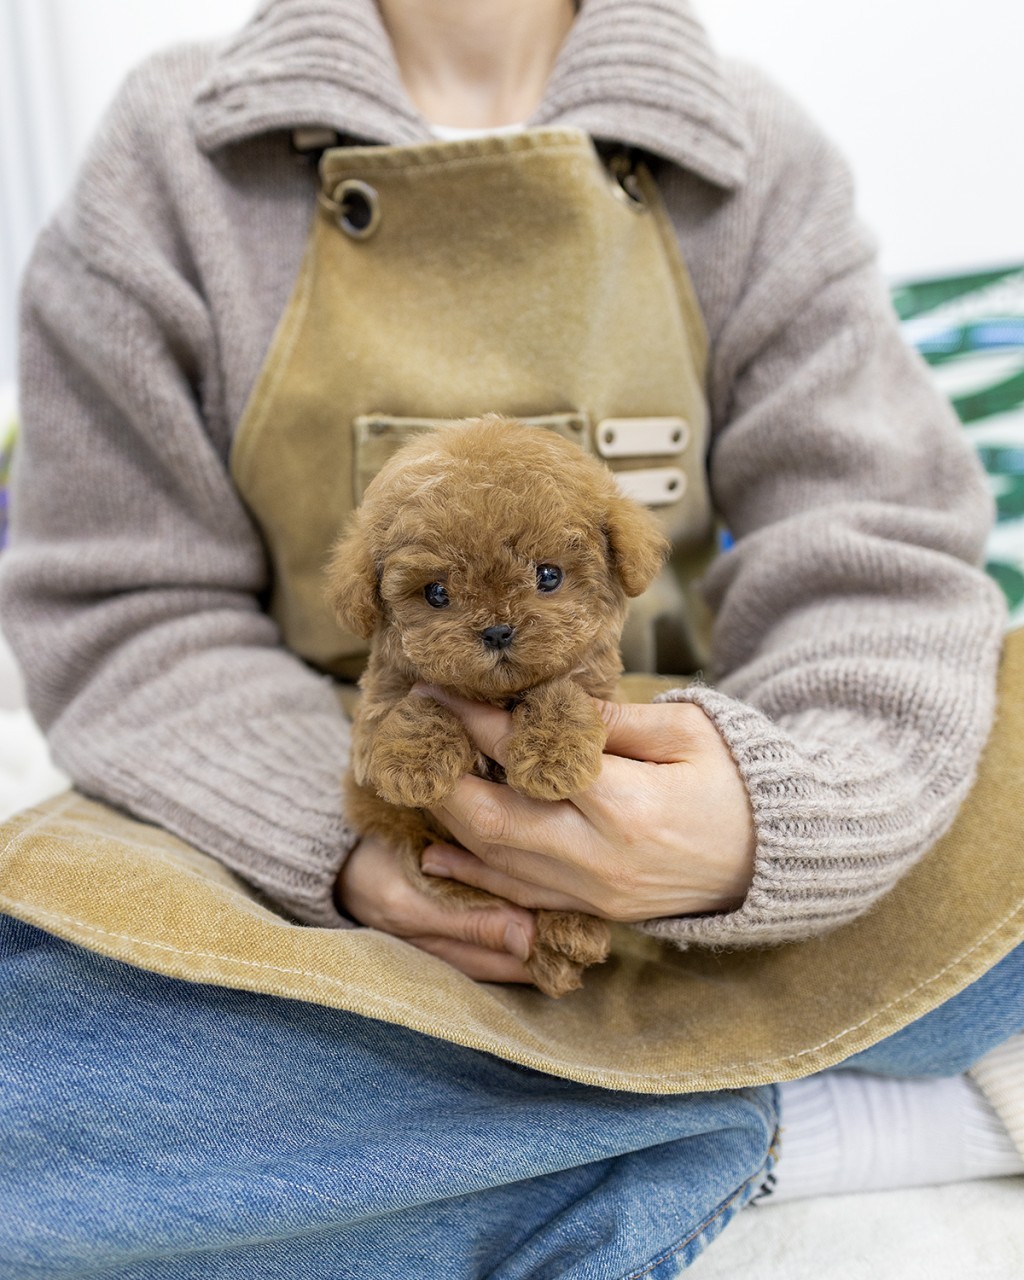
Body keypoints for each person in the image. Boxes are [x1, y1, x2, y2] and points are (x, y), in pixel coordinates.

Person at [0, 0, 1021, 1275]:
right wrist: (351, 841)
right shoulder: (174, 157)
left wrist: (768, 824)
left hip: (677, 803)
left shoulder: (752, 151)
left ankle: (464, 1143)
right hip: (348, 873)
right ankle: (780, 1117)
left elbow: (878, 554)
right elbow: (127, 606)